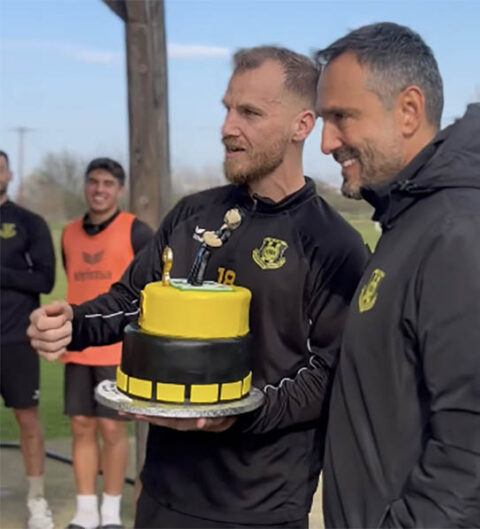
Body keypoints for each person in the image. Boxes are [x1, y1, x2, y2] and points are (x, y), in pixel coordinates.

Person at [27, 46, 369, 528]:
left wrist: (239, 413)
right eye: (227, 109)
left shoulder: (334, 244)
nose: (228, 127)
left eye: (249, 113)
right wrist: (73, 323)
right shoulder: (193, 214)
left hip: (258, 507)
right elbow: (134, 302)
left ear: (302, 125)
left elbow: (329, 375)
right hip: (163, 495)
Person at [315, 22, 480, 528]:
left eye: (341, 117)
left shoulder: (468, 230)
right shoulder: (411, 221)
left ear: (408, 110)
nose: (326, 142)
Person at [60, 157, 153, 529]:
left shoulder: (137, 231)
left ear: (120, 189)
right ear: (85, 185)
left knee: (112, 429)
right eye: (93, 181)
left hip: (117, 349)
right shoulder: (68, 233)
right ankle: (86, 512)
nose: (99, 189)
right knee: (81, 425)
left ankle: (111, 514)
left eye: (108, 183)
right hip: (77, 346)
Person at [0, 150, 56, 529]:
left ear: (9, 175)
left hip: (15, 339)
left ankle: (37, 500)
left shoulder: (28, 222)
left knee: (27, 419)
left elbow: (45, 280)